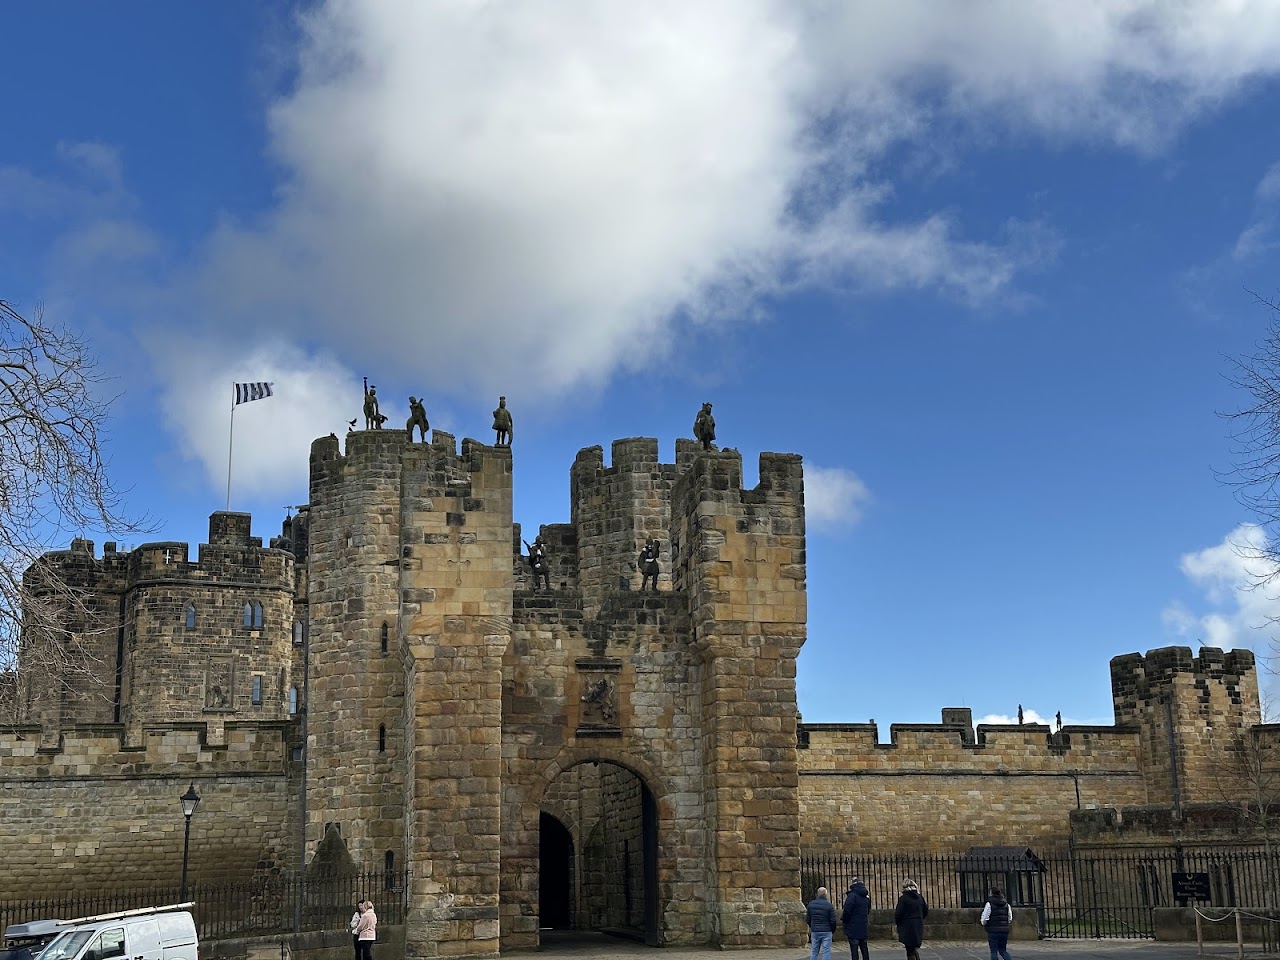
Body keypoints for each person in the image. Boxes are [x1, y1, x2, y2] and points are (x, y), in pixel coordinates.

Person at [893, 879, 928, 960]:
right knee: (913, 948)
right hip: (918, 925)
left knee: (909, 949)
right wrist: (919, 918)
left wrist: (899, 923)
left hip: (907, 926)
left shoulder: (903, 899)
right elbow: (925, 911)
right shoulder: (920, 898)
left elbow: (898, 914)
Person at [841, 876, 871, 960]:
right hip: (863, 924)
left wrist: (844, 919)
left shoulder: (852, 896)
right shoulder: (866, 896)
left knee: (854, 948)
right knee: (864, 947)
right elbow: (868, 909)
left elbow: (847, 910)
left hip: (852, 925)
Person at [981, 886, 1014, 960]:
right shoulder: (1006, 904)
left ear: (991, 893)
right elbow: (1010, 918)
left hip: (993, 930)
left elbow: (985, 917)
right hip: (1004, 930)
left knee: (994, 951)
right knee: (1003, 950)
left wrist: (984, 923)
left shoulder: (989, 904)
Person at [806, 886, 838, 960]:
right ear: (825, 894)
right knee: (826, 952)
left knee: (814, 952)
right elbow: (833, 920)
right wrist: (832, 930)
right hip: (826, 930)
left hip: (815, 930)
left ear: (818, 894)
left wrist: (812, 926)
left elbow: (808, 919)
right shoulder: (829, 905)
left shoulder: (811, 904)